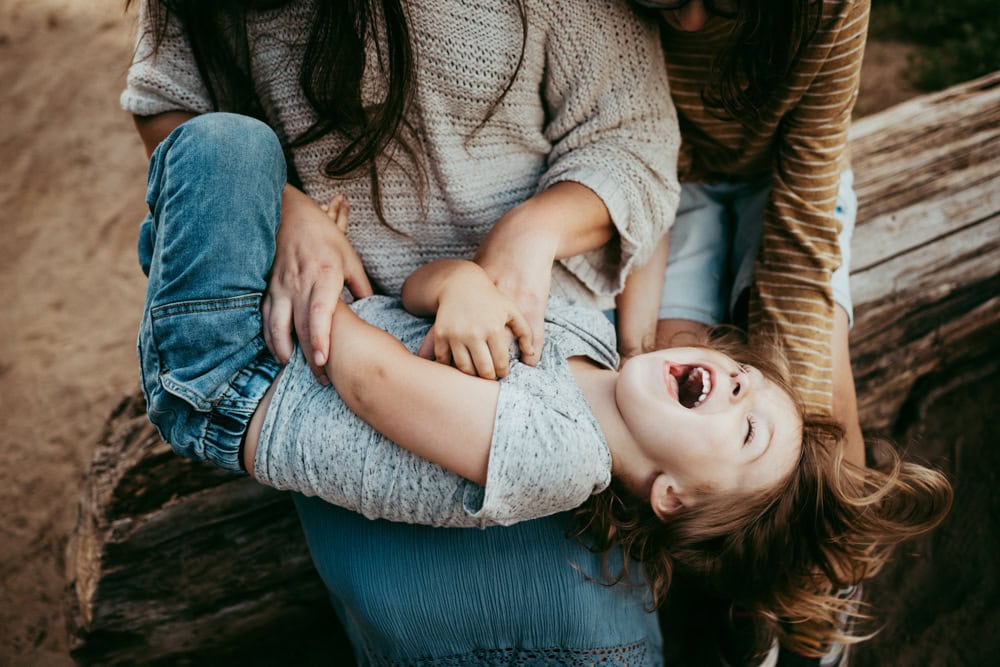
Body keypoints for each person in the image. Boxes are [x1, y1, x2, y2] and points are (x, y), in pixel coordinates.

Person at [136, 129, 951, 666]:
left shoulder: (558, 456)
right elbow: (424, 295)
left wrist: (322, 278)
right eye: (754, 384)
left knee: (223, 149)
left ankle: (178, 298)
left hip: (233, 383)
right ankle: (186, 249)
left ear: (671, 494)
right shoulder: (596, 348)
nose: (739, 386)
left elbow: (377, 383)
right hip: (300, 342)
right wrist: (457, 282)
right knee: (226, 163)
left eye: (744, 433)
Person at [122, 0, 681, 661]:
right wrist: (286, 210)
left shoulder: (574, 439)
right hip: (346, 332)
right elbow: (166, 102)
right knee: (411, 617)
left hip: (506, 326)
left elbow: (637, 138)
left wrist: (532, 231)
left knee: (579, 623)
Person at [612, 1, 872, 664]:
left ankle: (825, 589)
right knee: (675, 365)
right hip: (665, 176)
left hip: (789, 177)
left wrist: (800, 392)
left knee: (816, 417)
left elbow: (806, 199)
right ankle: (726, 603)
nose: (692, 23)